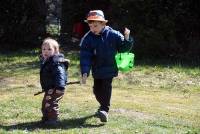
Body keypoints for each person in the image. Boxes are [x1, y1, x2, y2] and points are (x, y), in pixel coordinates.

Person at [80, 10, 134, 122]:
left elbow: (123, 48)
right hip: (97, 69)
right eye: (90, 26)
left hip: (110, 68)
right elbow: (85, 56)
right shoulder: (88, 38)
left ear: (103, 24)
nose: (93, 28)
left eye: (95, 26)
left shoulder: (114, 35)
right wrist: (85, 72)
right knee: (96, 90)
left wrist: (127, 38)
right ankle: (102, 107)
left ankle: (105, 109)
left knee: (106, 87)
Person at [40, 37, 69, 125]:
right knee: (45, 102)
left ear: (55, 51)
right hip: (50, 88)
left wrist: (60, 87)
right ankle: (46, 117)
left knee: (50, 102)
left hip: (56, 87)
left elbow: (60, 74)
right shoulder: (47, 61)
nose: (46, 51)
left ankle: (52, 119)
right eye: (44, 49)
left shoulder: (56, 62)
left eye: (49, 49)